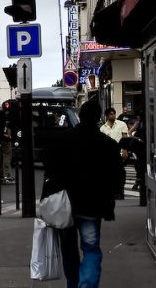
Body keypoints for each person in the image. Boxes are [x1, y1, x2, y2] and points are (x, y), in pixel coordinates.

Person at [45, 101, 121, 288]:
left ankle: (73, 283)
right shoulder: (108, 144)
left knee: (68, 249)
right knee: (91, 248)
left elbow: (50, 169)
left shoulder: (63, 140)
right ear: (98, 119)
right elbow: (117, 175)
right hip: (93, 205)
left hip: (65, 204)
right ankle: (86, 285)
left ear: (80, 116)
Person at [100, 107, 129, 199]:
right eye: (111, 114)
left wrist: (125, 151)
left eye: (114, 114)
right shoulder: (102, 128)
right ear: (107, 116)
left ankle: (120, 192)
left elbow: (125, 138)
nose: (113, 116)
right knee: (110, 174)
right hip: (108, 155)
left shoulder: (121, 124)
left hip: (119, 153)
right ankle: (113, 192)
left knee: (120, 174)